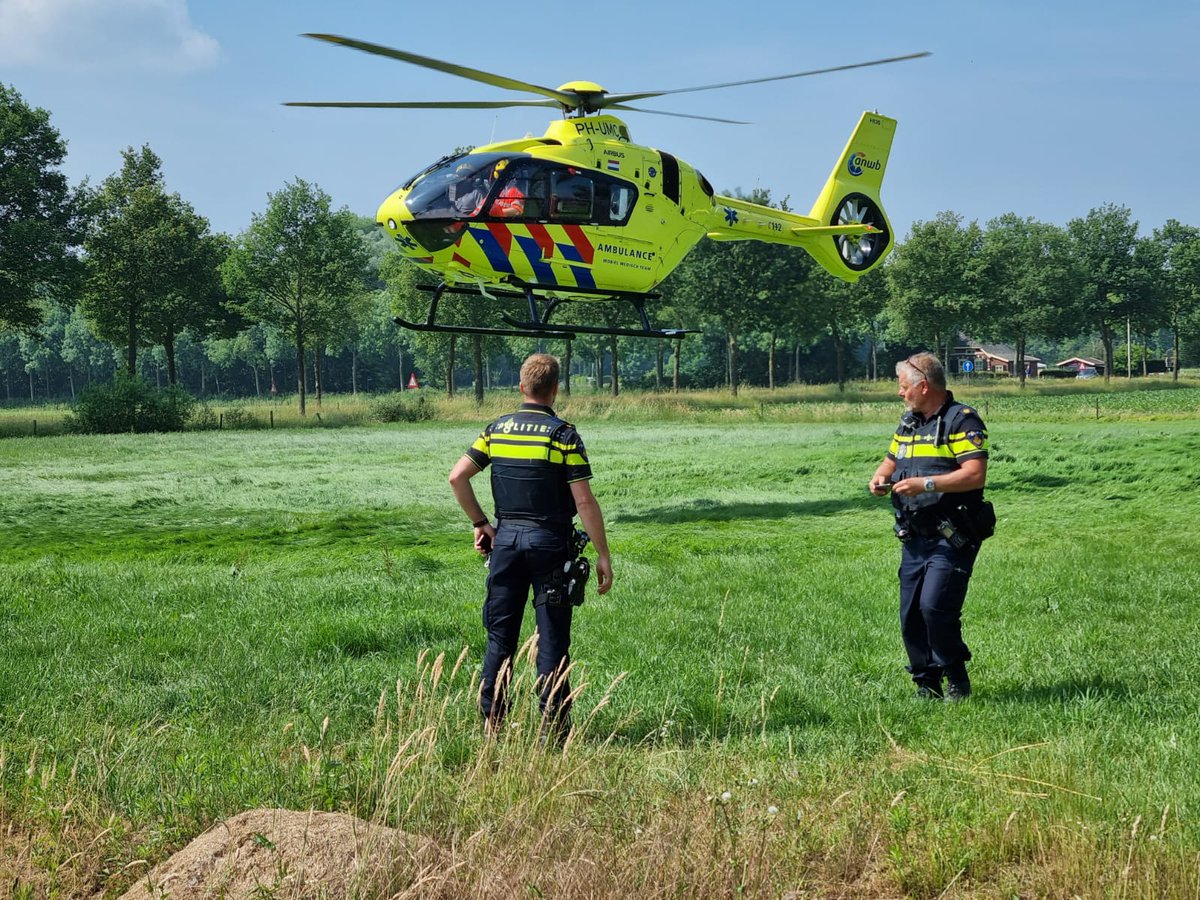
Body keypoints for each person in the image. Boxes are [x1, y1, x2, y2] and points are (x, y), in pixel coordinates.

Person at [448, 353, 613, 737]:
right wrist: (603, 554)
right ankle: (552, 733)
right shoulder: (563, 435)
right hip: (551, 545)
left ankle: (493, 725)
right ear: (555, 389)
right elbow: (584, 501)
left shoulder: (496, 430)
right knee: (552, 639)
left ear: (522, 387)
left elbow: (457, 477)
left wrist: (481, 523)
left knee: (500, 637)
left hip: (505, 543)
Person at [868, 352, 993, 701]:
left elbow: (974, 474)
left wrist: (926, 484)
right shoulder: (908, 422)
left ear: (923, 386)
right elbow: (890, 461)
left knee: (935, 608)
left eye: (903, 386)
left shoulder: (961, 420)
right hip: (914, 532)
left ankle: (956, 677)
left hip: (952, 534)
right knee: (911, 615)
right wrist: (880, 477)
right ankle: (926, 684)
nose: (899, 393)